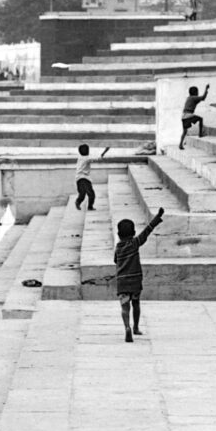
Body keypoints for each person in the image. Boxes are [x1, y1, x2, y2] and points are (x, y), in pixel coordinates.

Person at [114, 208, 164, 343]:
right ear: (134, 233)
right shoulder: (135, 243)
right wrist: (157, 217)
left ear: (118, 234)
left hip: (122, 282)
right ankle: (136, 327)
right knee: (136, 303)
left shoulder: (118, 248)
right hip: (135, 280)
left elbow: (115, 260)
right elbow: (147, 231)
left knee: (125, 307)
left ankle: (127, 328)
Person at [75, 143, 110, 211]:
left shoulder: (80, 157)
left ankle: (78, 202)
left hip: (78, 178)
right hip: (84, 178)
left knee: (82, 193)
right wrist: (105, 151)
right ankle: (90, 206)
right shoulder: (87, 158)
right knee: (91, 194)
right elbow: (98, 158)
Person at [179, 84, 210, 150]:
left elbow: (196, 102)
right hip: (189, 115)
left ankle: (180, 144)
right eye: (197, 92)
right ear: (195, 92)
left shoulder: (189, 98)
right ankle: (200, 134)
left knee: (184, 131)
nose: (198, 93)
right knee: (200, 119)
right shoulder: (194, 98)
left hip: (183, 116)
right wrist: (206, 89)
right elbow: (203, 98)